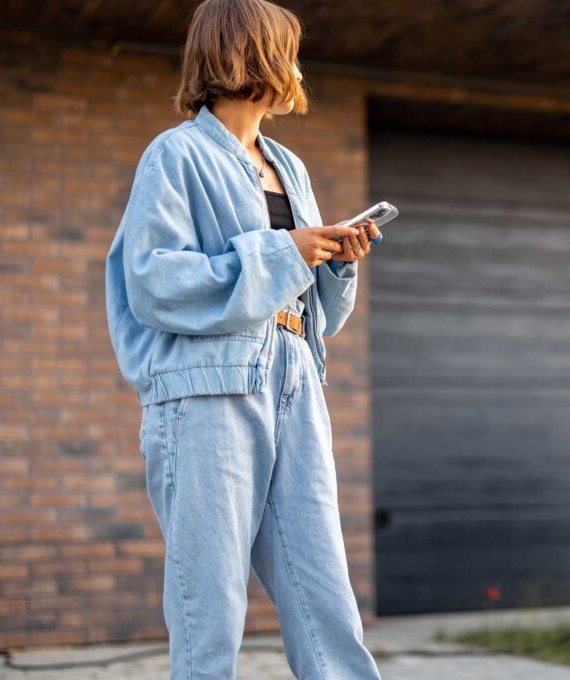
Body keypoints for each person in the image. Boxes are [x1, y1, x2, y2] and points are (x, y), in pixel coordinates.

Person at [104, 0, 382, 677]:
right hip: (208, 396)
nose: (295, 66)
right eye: (285, 50)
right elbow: (153, 281)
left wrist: (334, 260)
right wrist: (286, 251)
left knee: (326, 597)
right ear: (253, 56)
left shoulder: (290, 165)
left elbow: (313, 312)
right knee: (210, 605)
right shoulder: (175, 155)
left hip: (294, 386)